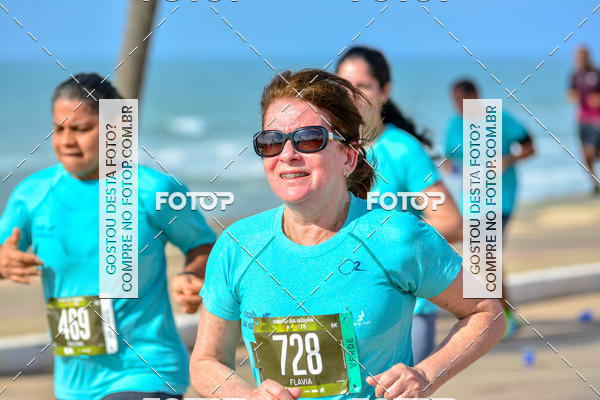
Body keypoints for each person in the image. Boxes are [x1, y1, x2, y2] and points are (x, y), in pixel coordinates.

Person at [190, 69, 505, 399]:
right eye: (271, 142)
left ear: (348, 157)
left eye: (308, 139)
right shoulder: (238, 245)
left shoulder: (396, 235)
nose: (287, 155)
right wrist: (246, 396)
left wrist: (426, 375)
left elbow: (487, 312)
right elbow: (206, 361)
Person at [0, 73, 216, 400]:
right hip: (73, 384)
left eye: (81, 129)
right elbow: (3, 251)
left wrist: (193, 275)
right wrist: (3, 262)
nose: (66, 141)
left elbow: (203, 244)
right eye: (59, 129)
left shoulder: (153, 190)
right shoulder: (32, 194)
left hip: (147, 372)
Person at [336, 46, 462, 363]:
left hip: (407, 311)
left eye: (363, 86)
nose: (352, 96)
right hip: (346, 307)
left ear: (384, 91)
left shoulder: (402, 149)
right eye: (344, 87)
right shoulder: (329, 150)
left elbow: (451, 222)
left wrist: (387, 239)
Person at [445, 79, 535, 338]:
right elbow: (449, 161)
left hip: (501, 199)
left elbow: (530, 147)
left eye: (462, 101)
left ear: (476, 95)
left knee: (488, 255)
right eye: (455, 102)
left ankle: (502, 316)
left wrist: (508, 158)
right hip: (471, 202)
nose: (459, 107)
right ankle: (503, 313)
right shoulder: (454, 125)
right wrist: (454, 169)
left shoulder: (500, 119)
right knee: (482, 259)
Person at [567, 45, 600, 194]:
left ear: (587, 57)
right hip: (582, 119)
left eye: (581, 56)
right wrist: (573, 96)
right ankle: (595, 184)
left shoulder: (596, 73)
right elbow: (570, 93)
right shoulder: (575, 75)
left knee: (593, 151)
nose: (579, 60)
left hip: (597, 118)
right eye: (576, 57)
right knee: (586, 153)